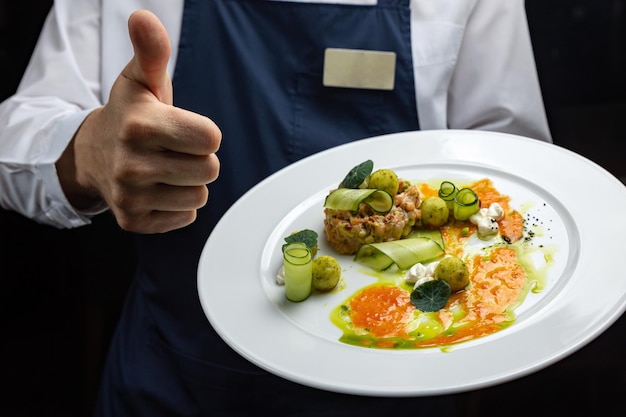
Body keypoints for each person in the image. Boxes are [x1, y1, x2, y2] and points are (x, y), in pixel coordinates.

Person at [0, 0, 551, 415]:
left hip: (401, 373)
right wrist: (86, 150)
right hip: (176, 372)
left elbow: (516, 163)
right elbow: (14, 136)